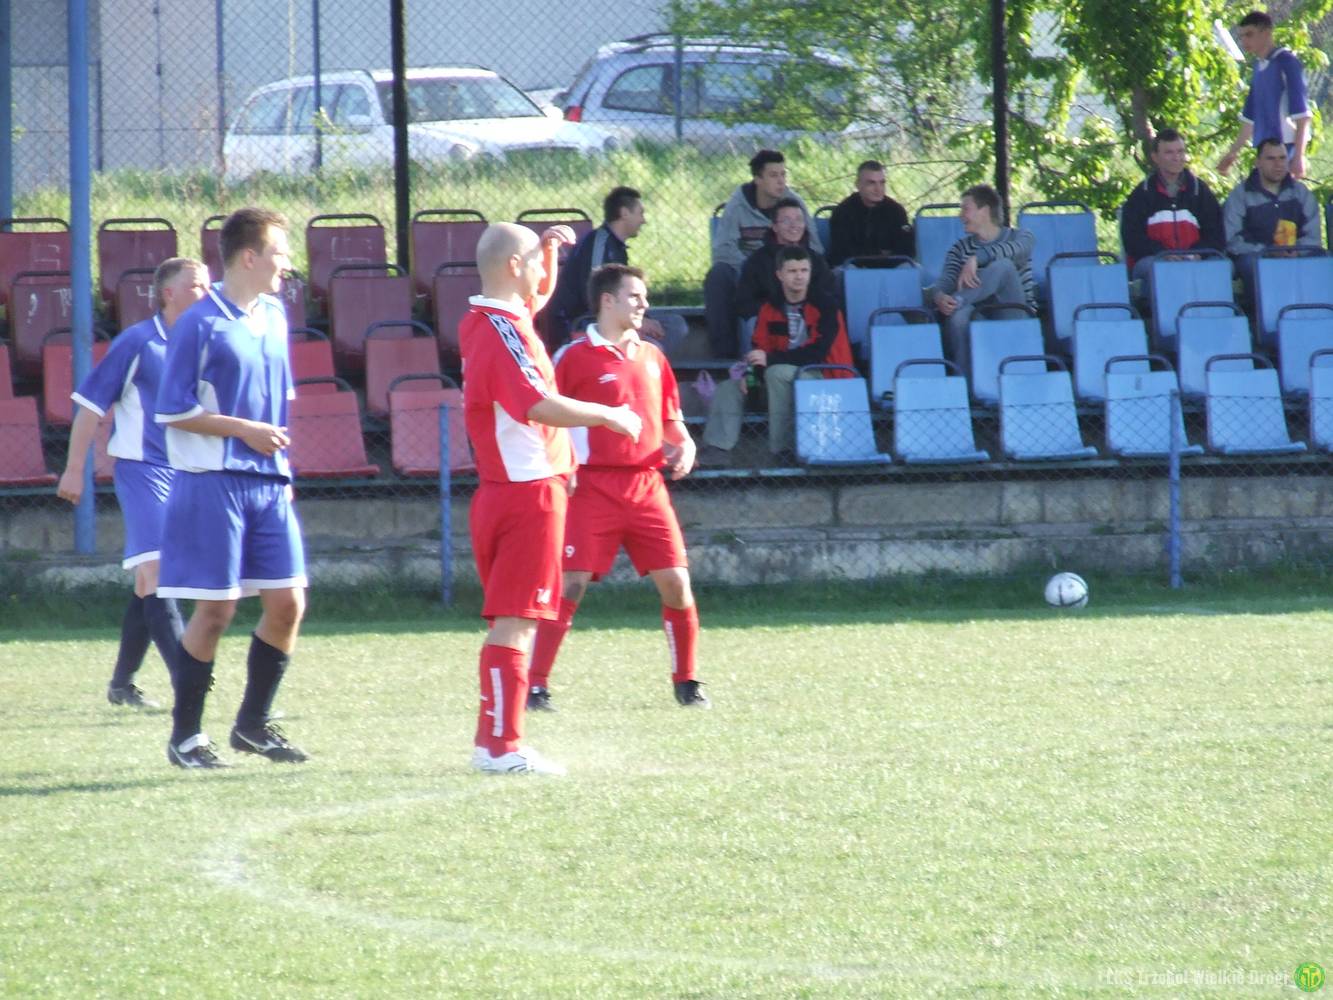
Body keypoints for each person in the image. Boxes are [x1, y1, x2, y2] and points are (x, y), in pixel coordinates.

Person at [461, 222, 642, 776]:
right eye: (535, 264)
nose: (545, 277)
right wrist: (609, 415)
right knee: (517, 623)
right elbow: (538, 404)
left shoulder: (486, 319)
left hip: (507, 491)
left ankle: (493, 741)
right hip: (528, 496)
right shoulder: (504, 332)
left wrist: (551, 252)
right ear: (514, 267)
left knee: (514, 621)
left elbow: (533, 295)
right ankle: (501, 747)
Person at [154, 207, 309, 769]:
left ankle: (252, 725)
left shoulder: (275, 316)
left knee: (288, 604)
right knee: (215, 612)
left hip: (268, 483)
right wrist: (244, 430)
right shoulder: (199, 323)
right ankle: (186, 737)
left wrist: (283, 473)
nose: (287, 264)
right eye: (279, 253)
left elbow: (278, 407)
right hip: (212, 484)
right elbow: (173, 410)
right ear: (249, 257)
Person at [527, 263, 708, 712]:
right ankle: (535, 686)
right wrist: (561, 466)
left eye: (644, 296)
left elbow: (669, 418)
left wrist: (685, 444)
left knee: (677, 583)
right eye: (635, 296)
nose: (645, 304)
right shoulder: (573, 356)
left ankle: (688, 682)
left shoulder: (652, 357)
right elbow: (545, 413)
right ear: (607, 301)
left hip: (647, 485)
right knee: (570, 584)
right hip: (591, 486)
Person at [57, 257, 209, 709]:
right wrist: (73, 468)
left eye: (208, 285)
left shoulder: (207, 342)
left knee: (148, 584)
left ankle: (122, 685)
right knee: (158, 574)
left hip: (190, 474)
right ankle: (189, 684)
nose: (206, 293)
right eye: (197, 285)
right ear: (169, 293)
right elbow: (90, 407)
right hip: (143, 472)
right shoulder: (138, 341)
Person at [700, 245, 854, 464]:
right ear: (779, 274)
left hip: (823, 377)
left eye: (804, 270)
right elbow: (759, 349)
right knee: (729, 388)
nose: (799, 277)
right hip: (779, 379)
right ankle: (717, 450)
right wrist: (751, 376)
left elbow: (817, 352)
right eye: (792, 271)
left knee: (777, 373)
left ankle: (783, 450)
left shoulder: (826, 306)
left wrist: (770, 361)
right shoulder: (769, 308)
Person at [704, 149, 823, 357]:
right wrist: (753, 268)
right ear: (758, 179)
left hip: (789, 267)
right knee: (717, 276)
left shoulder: (794, 204)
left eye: (783, 174)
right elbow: (723, 249)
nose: (781, 181)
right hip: (747, 269)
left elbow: (815, 247)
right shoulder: (737, 205)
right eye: (774, 175)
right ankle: (724, 355)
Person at [546, 186, 688, 357]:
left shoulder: (617, 247)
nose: (643, 220)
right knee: (653, 348)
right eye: (640, 213)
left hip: (614, 315)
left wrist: (641, 319)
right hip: (584, 321)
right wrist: (637, 322)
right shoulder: (599, 243)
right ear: (624, 213)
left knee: (675, 324)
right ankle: (628, 364)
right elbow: (594, 297)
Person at [929, 184, 1036, 373]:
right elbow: (944, 282)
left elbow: (1019, 250)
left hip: (1014, 312)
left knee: (1004, 266)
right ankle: (964, 379)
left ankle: (958, 300)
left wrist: (977, 258)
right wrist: (939, 297)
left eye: (965, 209)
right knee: (958, 315)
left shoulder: (1019, 236)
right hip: (978, 313)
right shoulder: (960, 248)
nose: (960, 216)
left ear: (985, 211)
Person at [1119, 129, 1225, 283]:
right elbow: (1132, 239)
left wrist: (1197, 253)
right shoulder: (1142, 194)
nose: (1177, 158)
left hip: (1196, 258)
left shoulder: (1200, 191)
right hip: (1155, 260)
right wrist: (1163, 254)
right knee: (1157, 269)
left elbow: (1216, 234)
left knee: (1219, 265)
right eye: (1169, 152)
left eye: (1180, 151)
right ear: (1155, 157)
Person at [1217, 10, 1312, 180]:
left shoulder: (1287, 62)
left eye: (1249, 34)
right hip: (1264, 151)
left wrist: (1298, 157)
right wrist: (1232, 153)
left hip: (1285, 150)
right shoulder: (1258, 66)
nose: (1244, 41)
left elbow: (1302, 115)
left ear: (1266, 33)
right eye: (1241, 36)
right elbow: (1249, 118)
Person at [1224, 136, 1320, 299]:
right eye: (1271, 158)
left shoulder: (1301, 193)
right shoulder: (1241, 195)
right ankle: (1260, 313)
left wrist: (1296, 251)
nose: (1278, 164)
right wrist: (1268, 252)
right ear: (1258, 162)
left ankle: (1316, 311)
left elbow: (1313, 236)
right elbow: (1232, 239)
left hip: (1297, 254)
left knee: (1321, 260)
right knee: (1249, 264)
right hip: (1257, 257)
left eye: (1282, 158)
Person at [735, 197, 836, 330]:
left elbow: (828, 294)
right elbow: (745, 301)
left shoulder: (815, 260)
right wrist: (777, 314)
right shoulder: (757, 261)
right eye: (786, 220)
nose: (794, 225)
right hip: (770, 323)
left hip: (808, 321)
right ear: (775, 227)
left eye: (799, 220)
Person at [826, 159, 915, 266]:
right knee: (848, 268)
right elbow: (842, 251)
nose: (878, 189)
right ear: (858, 185)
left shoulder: (896, 210)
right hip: (855, 267)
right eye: (871, 183)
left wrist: (875, 256)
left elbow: (907, 249)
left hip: (890, 267)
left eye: (882, 183)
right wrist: (881, 254)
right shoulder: (843, 211)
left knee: (908, 267)